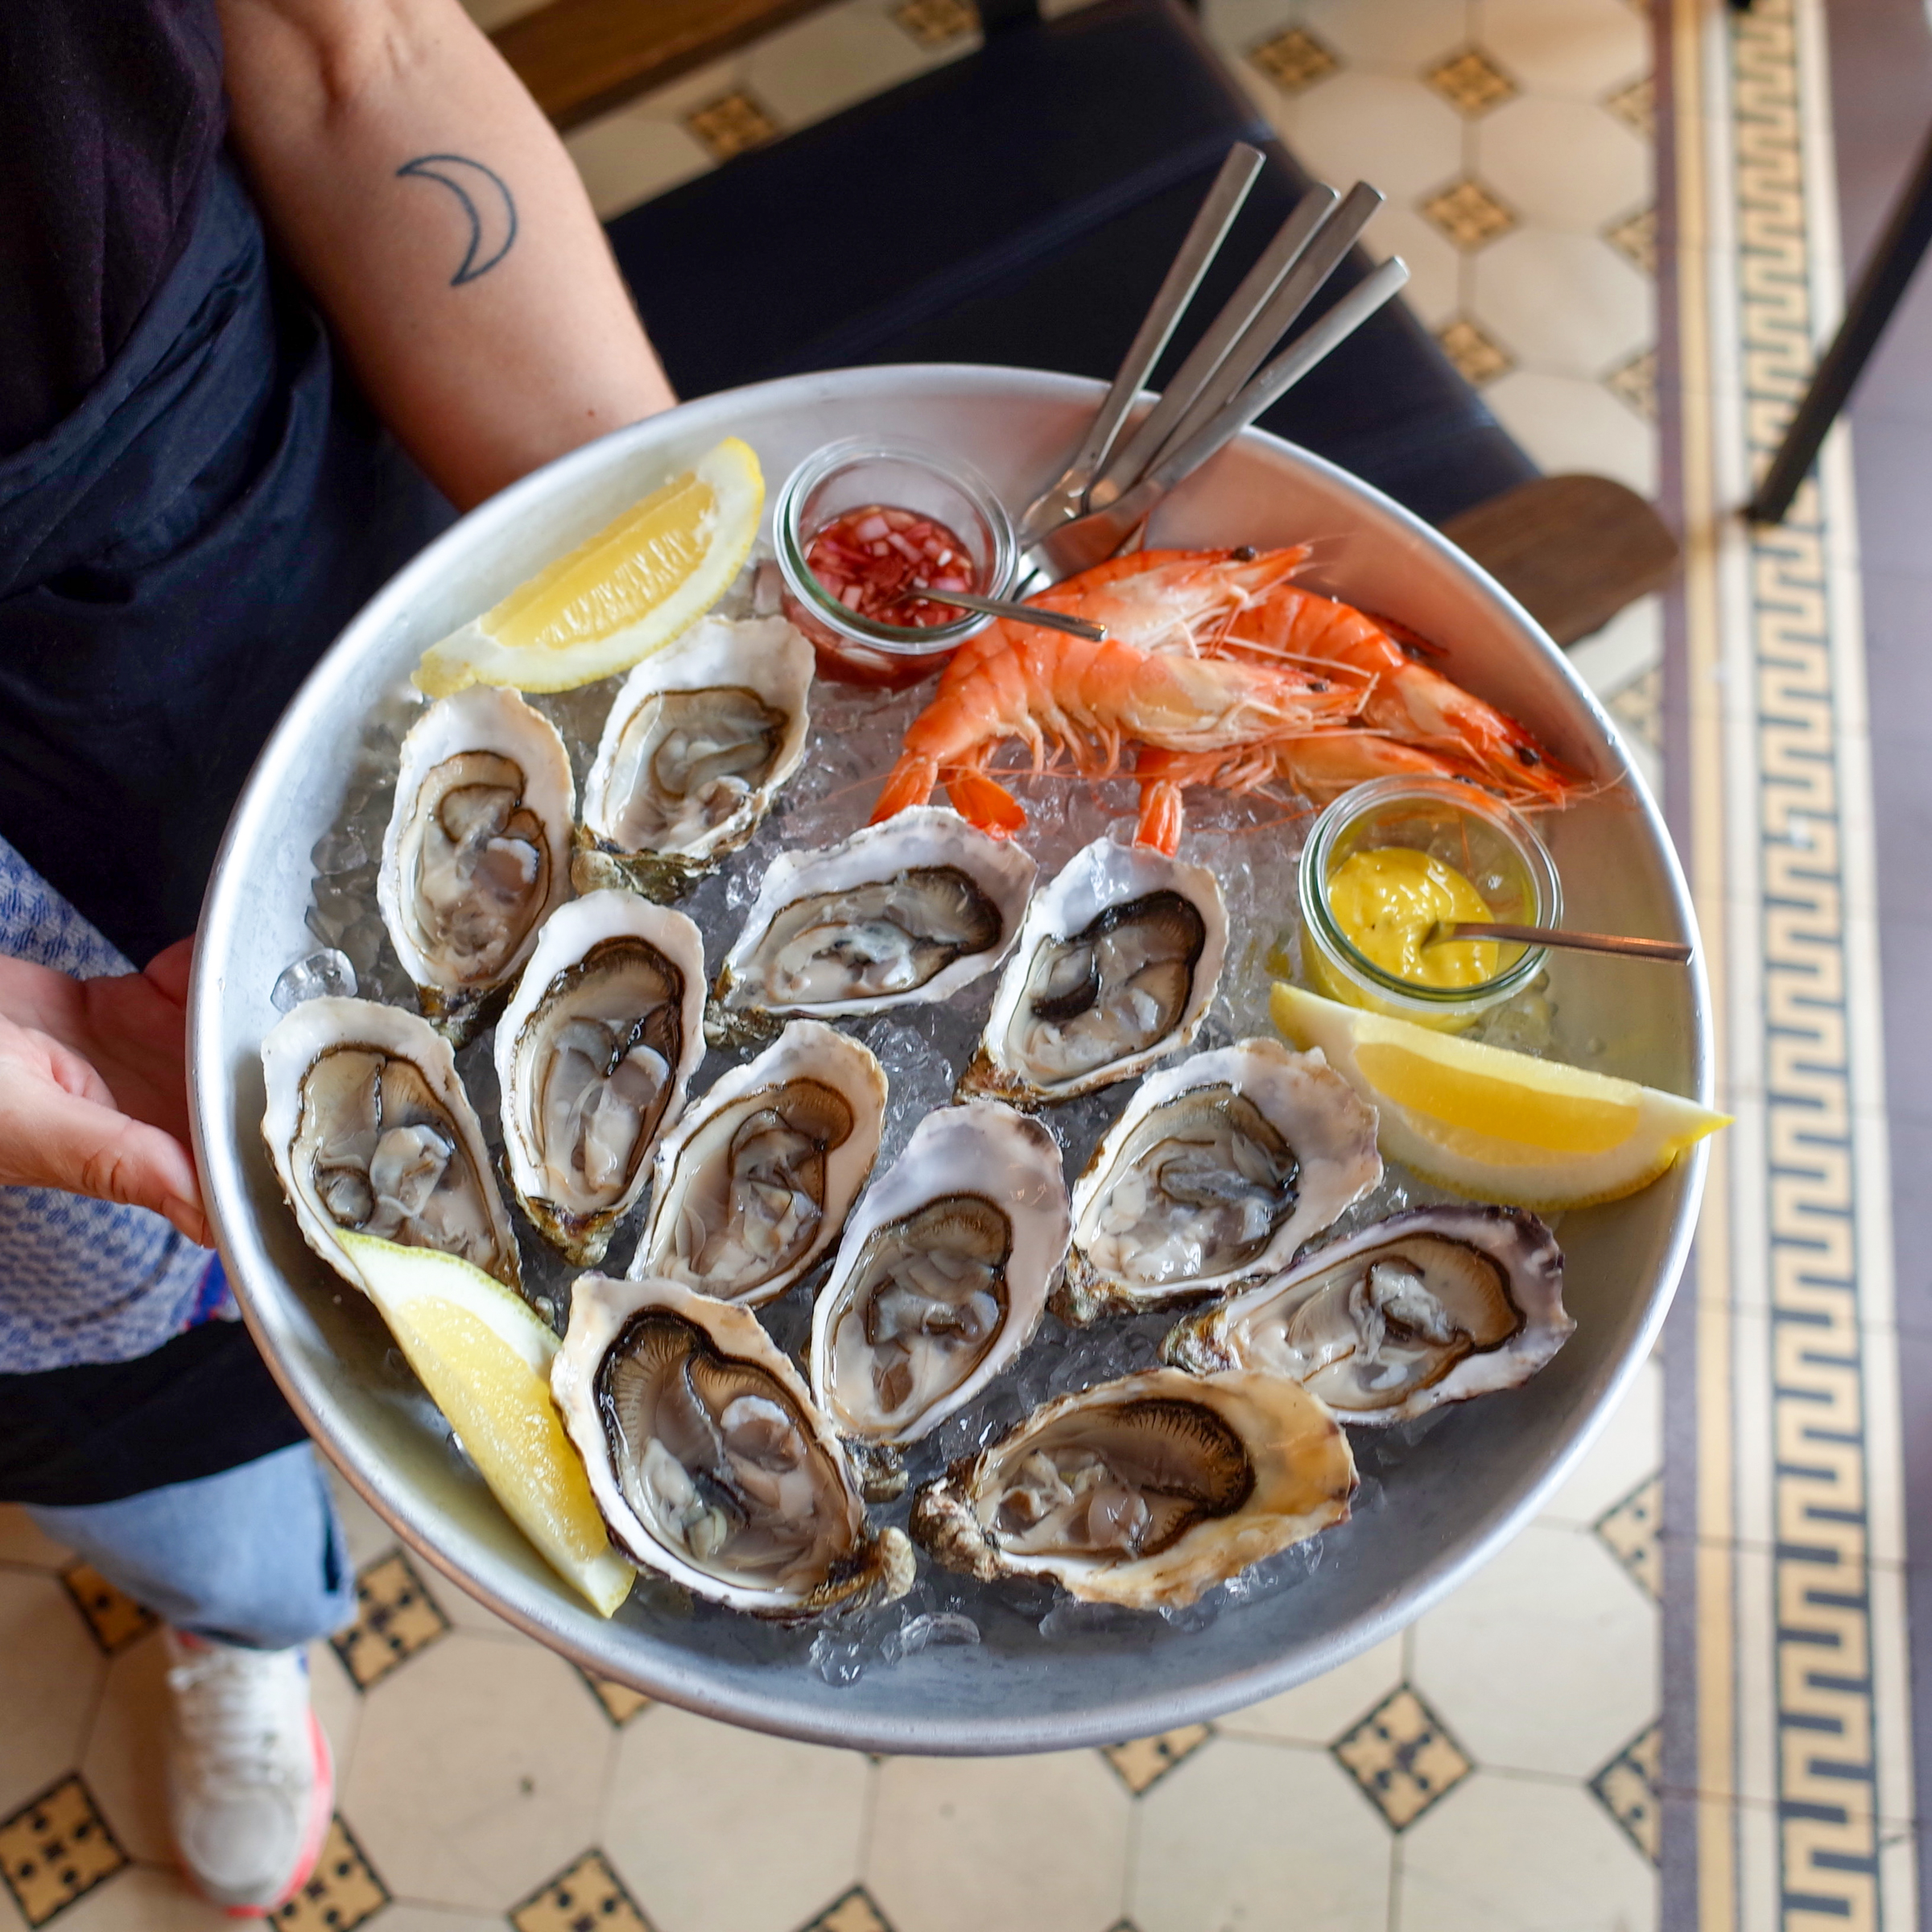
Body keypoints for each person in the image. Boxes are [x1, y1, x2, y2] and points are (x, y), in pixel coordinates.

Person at [0, 0, 672, 1912]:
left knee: (540, 1172)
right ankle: (243, 1616)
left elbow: (353, 58)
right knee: (142, 1450)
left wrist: (686, 597)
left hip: (226, 539)